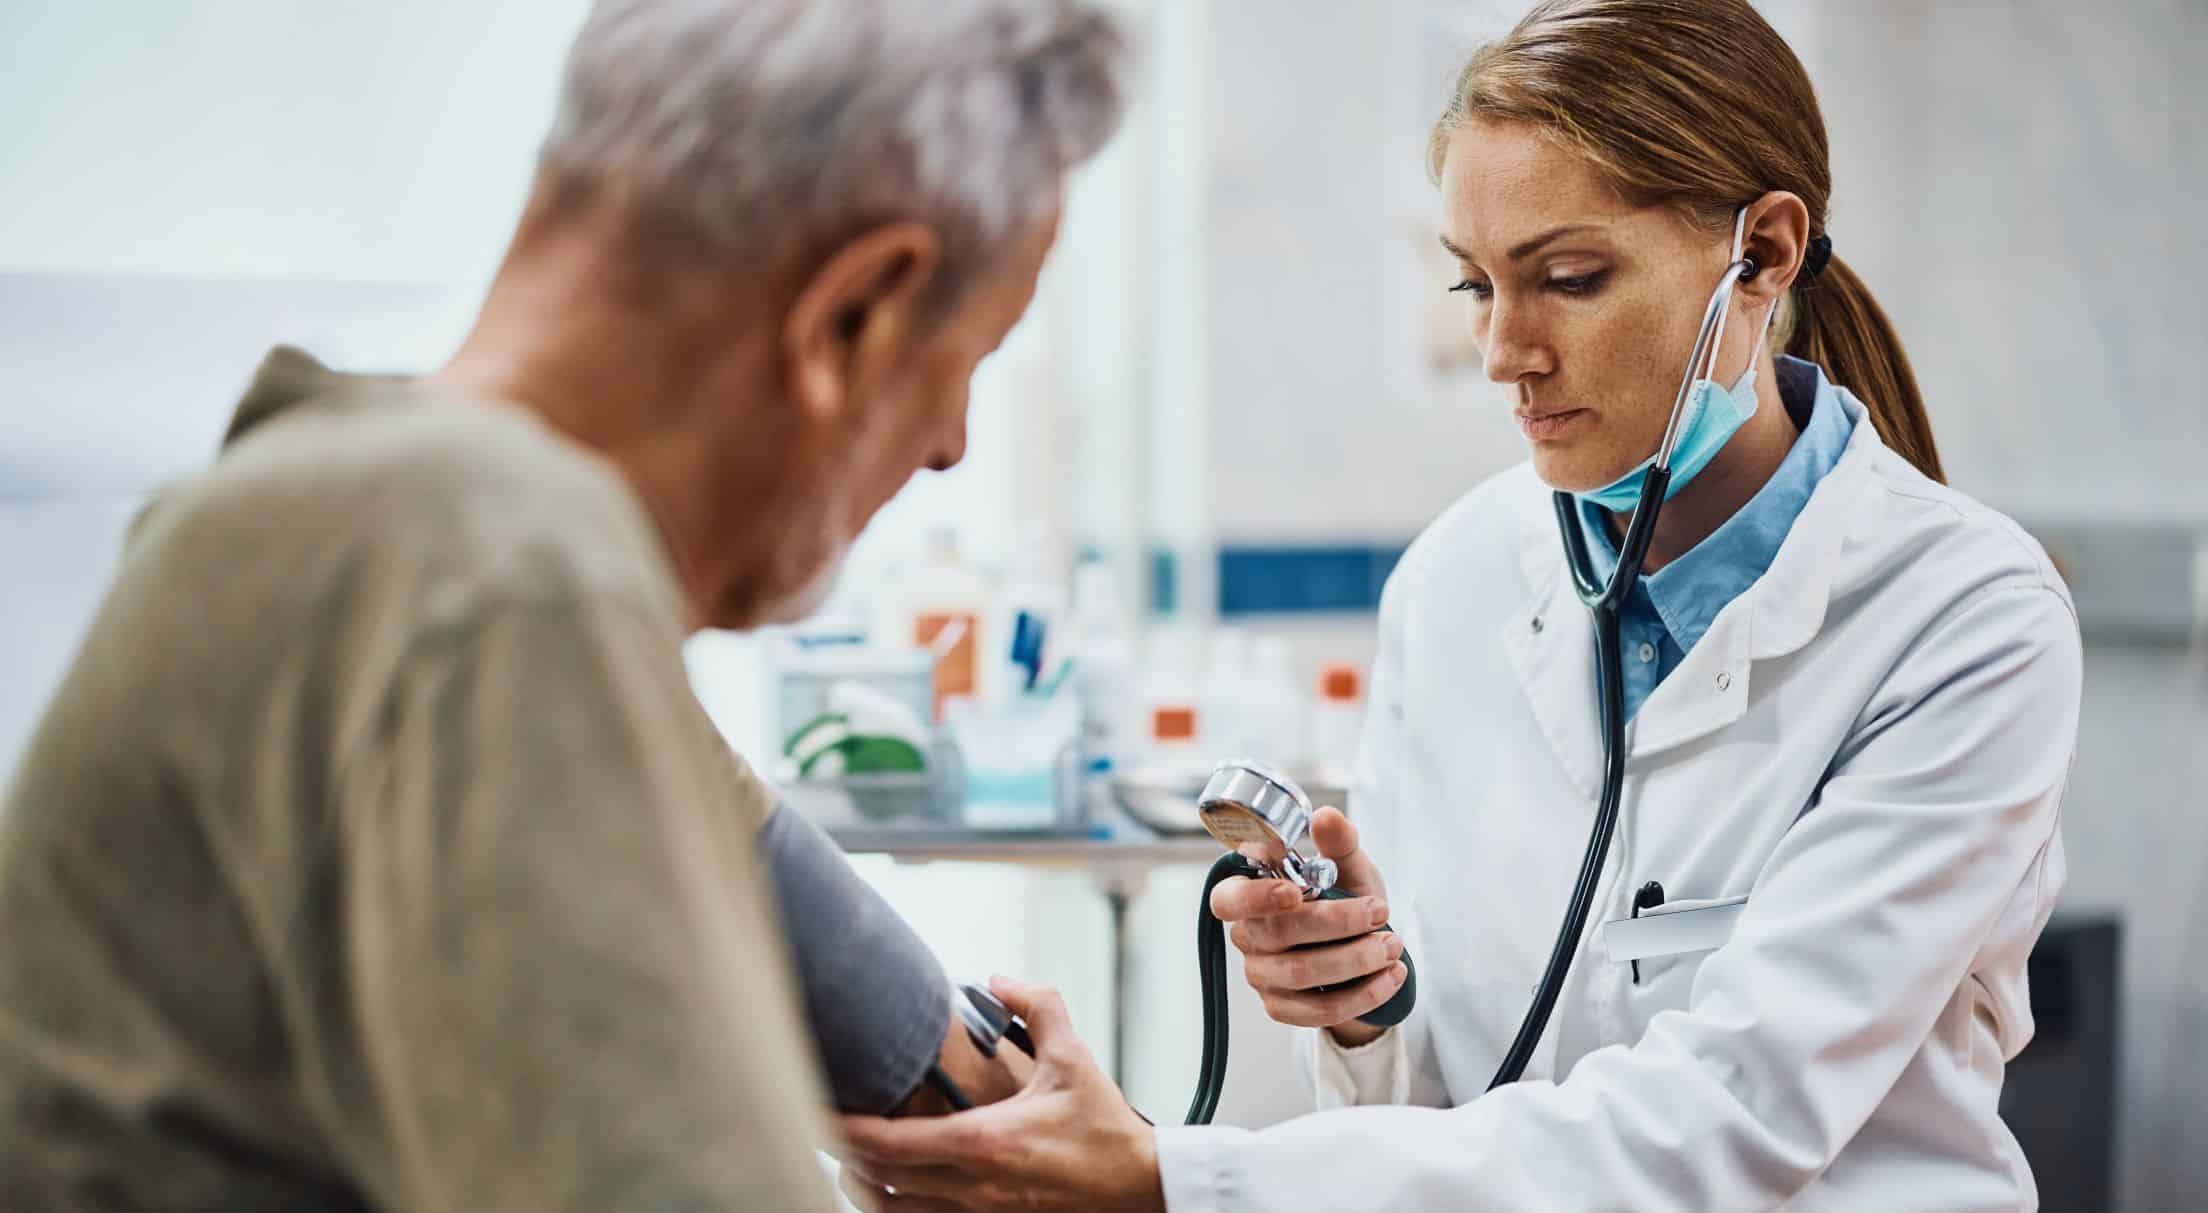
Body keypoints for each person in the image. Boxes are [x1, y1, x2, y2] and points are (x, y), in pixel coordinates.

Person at [838, 2, 2081, 1210]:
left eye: (1570, 279)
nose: (1505, 352)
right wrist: (1367, 999)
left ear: (1760, 253)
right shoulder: (1456, 577)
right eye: (1476, 287)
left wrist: (1175, 1181)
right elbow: (1432, 1099)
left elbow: (1731, 1122)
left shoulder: (1965, 618)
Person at [0, 1, 1128, 1208]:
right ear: (852, 316)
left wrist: (958, 1077)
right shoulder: (495, 581)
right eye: (969, 363)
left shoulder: (355, 504)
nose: (954, 445)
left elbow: (726, 835)